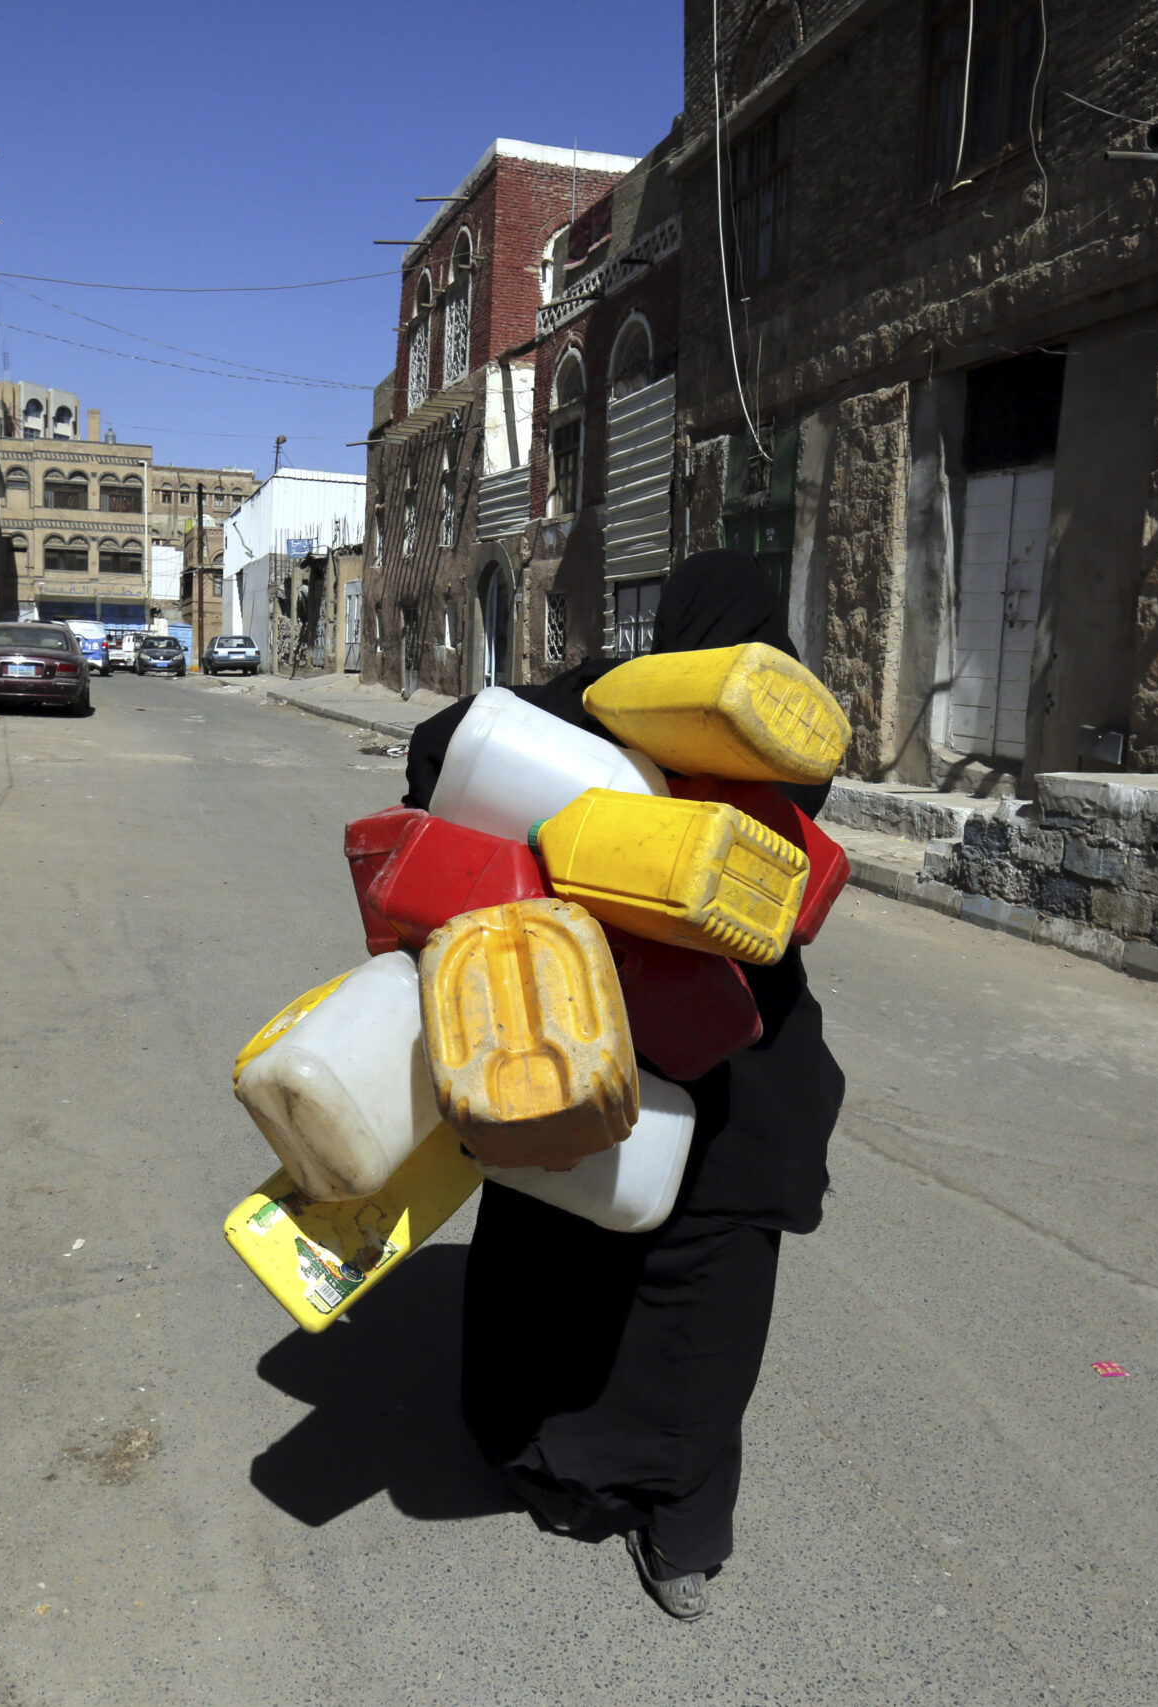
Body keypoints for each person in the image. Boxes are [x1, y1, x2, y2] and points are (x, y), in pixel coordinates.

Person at [400, 550, 847, 1621]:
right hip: (735, 1055)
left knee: (548, 1244)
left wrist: (587, 701)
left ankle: (533, 1460)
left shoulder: (585, 705)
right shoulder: (780, 730)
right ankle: (680, 1530)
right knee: (705, 1296)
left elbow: (432, 756)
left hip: (570, 1029)